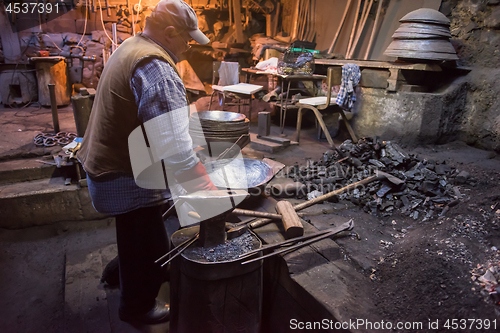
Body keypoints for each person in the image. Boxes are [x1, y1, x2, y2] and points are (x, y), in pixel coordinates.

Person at [77, 0, 217, 325]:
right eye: (187, 39)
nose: (189, 47)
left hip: (104, 164)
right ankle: (135, 308)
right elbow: (175, 148)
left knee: (137, 231)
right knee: (149, 238)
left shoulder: (134, 44)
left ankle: (119, 273)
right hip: (119, 174)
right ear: (170, 33)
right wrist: (206, 192)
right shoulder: (156, 69)